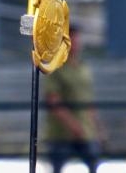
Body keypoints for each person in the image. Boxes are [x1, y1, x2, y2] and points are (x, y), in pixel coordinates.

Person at [42, 23, 106, 173]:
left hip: (86, 130)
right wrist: (73, 125)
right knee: (57, 168)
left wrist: (98, 127)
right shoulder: (55, 67)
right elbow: (53, 101)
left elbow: (89, 100)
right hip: (61, 133)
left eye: (78, 39)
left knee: (93, 164)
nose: (76, 44)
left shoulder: (84, 68)